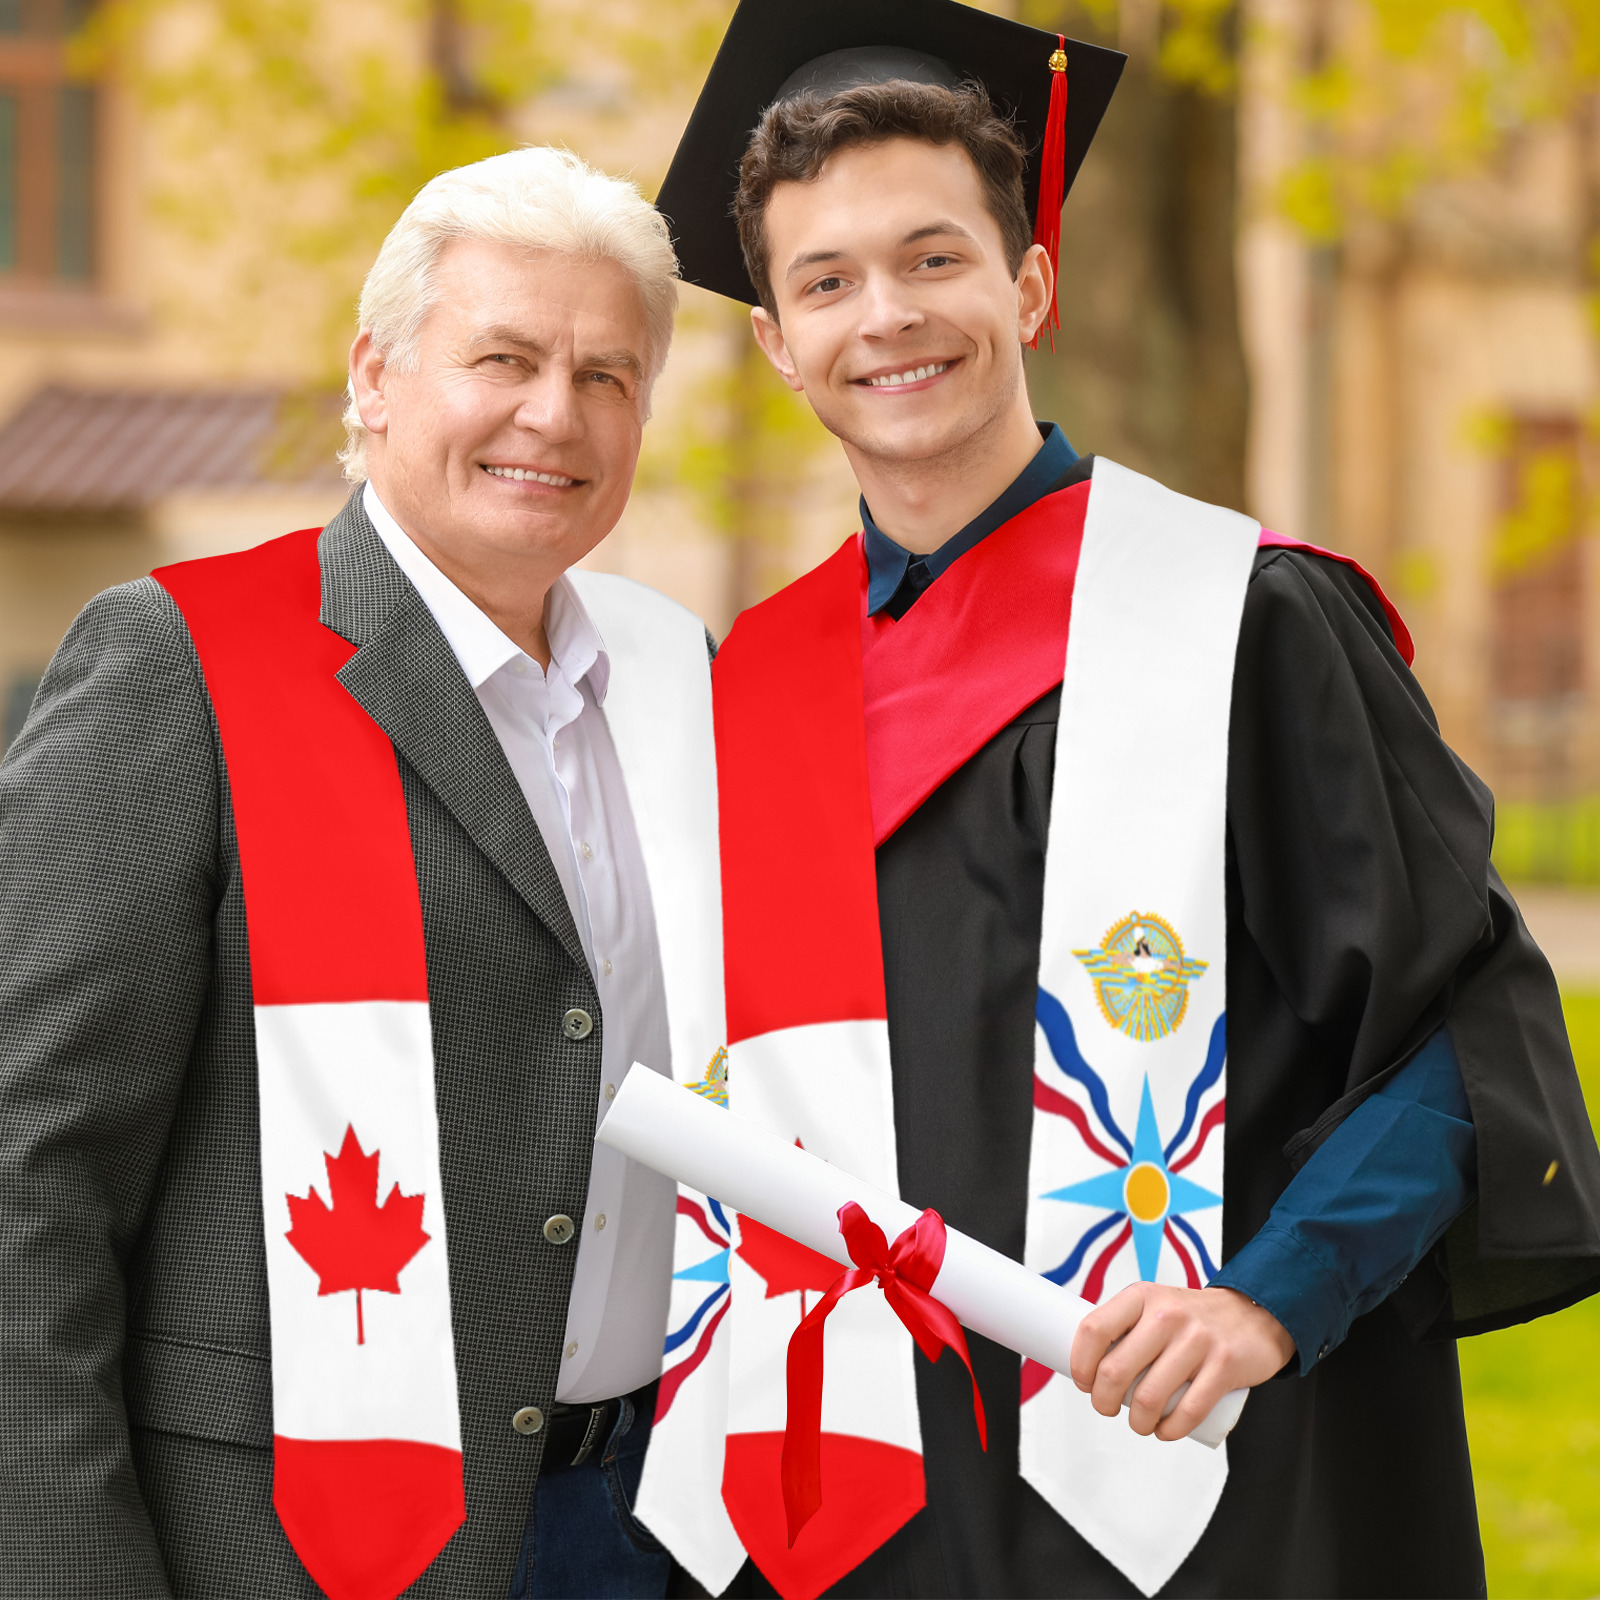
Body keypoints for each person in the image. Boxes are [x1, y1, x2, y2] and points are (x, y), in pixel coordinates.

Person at [633, 3, 1600, 1597]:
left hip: (1200, 1479)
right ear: (777, 341)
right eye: (827, 281)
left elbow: (1461, 1034)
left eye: (934, 258)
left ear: (1029, 282)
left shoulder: (1245, 620)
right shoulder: (756, 689)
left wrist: (1268, 1301)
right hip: (863, 1511)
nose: (887, 316)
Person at [0, 147, 725, 1600]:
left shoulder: (680, 685)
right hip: (287, 1543)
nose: (553, 414)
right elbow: (31, 1176)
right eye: (504, 357)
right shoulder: (184, 666)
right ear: (376, 377)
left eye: (607, 375)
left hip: (659, 1523)